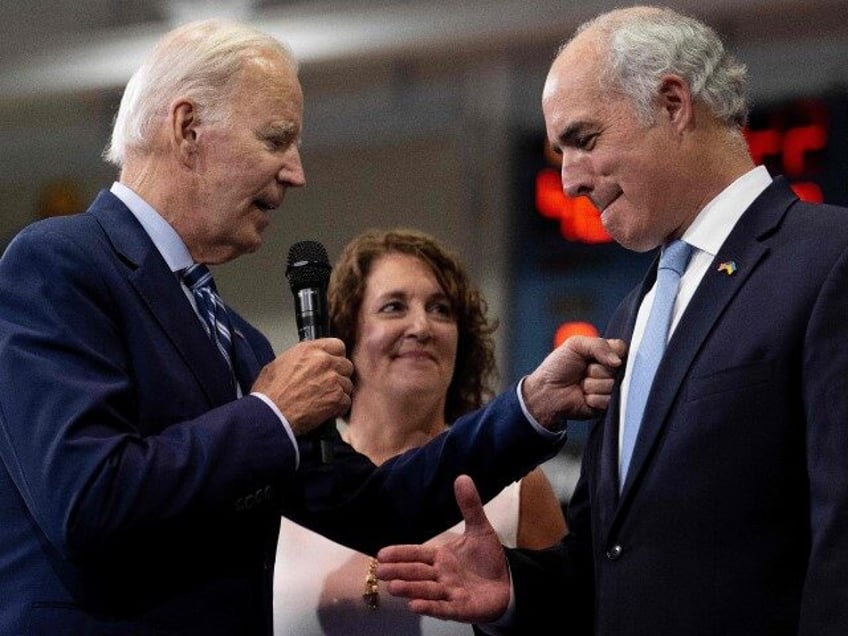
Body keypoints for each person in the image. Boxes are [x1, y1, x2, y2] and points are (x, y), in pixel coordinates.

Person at [0, 18, 626, 636]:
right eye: (275, 140)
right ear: (188, 128)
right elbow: (86, 500)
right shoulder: (59, 263)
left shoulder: (239, 342)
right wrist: (269, 414)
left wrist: (530, 407)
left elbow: (374, 505)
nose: (296, 172)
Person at [375, 6, 848, 636]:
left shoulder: (830, 259)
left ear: (674, 104)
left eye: (584, 140)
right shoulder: (637, 311)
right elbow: (612, 558)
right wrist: (514, 586)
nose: (569, 181)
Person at [273, 228, 567, 635]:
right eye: (394, 307)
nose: (422, 326)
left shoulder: (518, 490)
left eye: (441, 309)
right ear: (344, 335)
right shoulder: (288, 481)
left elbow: (572, 616)